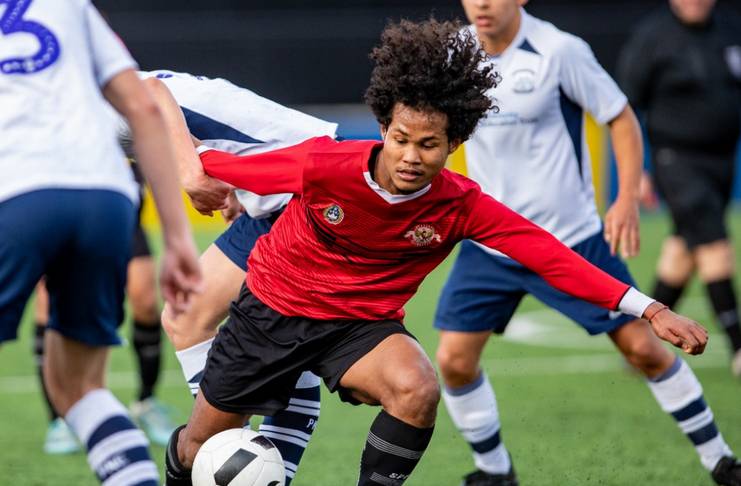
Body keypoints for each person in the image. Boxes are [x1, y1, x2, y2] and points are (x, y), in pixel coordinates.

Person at [161, 18, 709, 486]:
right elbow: (215, 164)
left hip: (358, 326)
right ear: (383, 127)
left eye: (429, 144)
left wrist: (651, 308)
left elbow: (551, 256)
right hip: (269, 317)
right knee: (195, 448)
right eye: (401, 138)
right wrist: (199, 176)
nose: (410, 157)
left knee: (417, 386)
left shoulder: (461, 205)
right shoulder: (323, 165)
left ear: (454, 143)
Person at [431, 2, 741, 485]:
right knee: (452, 360)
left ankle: (721, 460)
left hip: (570, 238)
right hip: (492, 242)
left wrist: (625, 199)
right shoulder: (454, 52)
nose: (483, 4)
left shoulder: (560, 50)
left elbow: (619, 117)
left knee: (644, 349)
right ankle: (495, 473)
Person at [0, 2, 202, 485]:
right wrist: (178, 238)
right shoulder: (69, 6)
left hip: (18, 190)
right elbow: (145, 109)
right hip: (105, 198)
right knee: (82, 388)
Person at [131, 70, 337, 485]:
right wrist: (241, 190)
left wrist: (192, 174)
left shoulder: (78, 90)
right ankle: (243, 462)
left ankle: (241, 463)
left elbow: (153, 93)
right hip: (282, 187)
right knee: (190, 317)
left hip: (303, 187)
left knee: (203, 320)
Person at [618, 0, 741, 378]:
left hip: (721, 161)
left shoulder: (730, 30)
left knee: (683, 251)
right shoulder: (652, 37)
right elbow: (624, 107)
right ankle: (739, 348)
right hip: (675, 160)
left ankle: (639, 340)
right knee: (713, 245)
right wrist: (637, 170)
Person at [33, 163, 178, 454]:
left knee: (146, 301)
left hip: (119, 197)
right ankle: (59, 420)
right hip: (61, 195)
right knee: (49, 305)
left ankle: (146, 401)